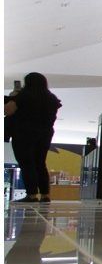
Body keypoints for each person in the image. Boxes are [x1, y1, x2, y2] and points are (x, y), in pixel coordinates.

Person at [4, 72, 61, 203]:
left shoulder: (23, 95)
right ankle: (45, 195)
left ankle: (31, 195)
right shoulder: (51, 98)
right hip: (45, 134)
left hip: (24, 133)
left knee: (26, 163)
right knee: (40, 163)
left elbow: (7, 110)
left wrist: (13, 97)